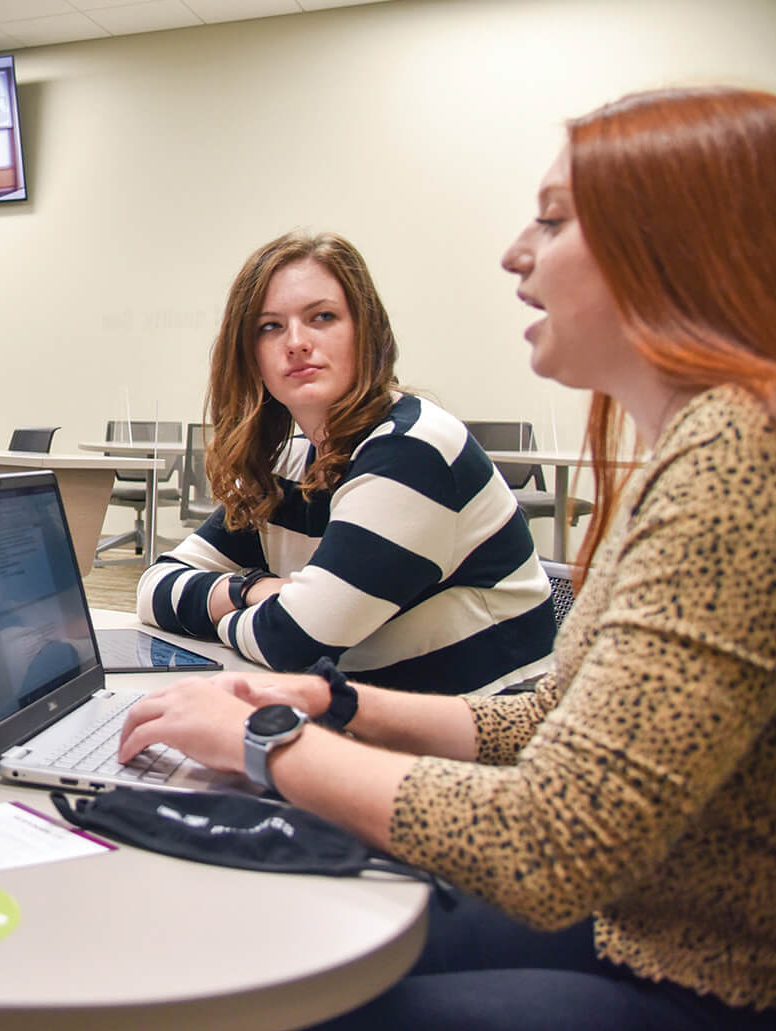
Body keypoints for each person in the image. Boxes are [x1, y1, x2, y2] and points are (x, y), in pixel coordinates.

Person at [118, 86, 776, 1031]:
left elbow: (557, 842)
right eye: (269, 327)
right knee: (258, 943)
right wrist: (334, 700)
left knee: (196, 1028)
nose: (518, 252)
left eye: (553, 222)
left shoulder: (735, 467)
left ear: (673, 247)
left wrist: (272, 742)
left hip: (710, 987)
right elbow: (556, 718)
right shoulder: (695, 446)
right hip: (638, 918)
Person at [137, 231, 555, 693]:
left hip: (487, 737)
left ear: (366, 332)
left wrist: (233, 613)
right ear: (250, 355)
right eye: (269, 326)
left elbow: (295, 641)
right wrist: (250, 590)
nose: (296, 342)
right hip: (370, 716)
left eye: (322, 317)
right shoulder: (291, 460)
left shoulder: (412, 451)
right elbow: (153, 588)